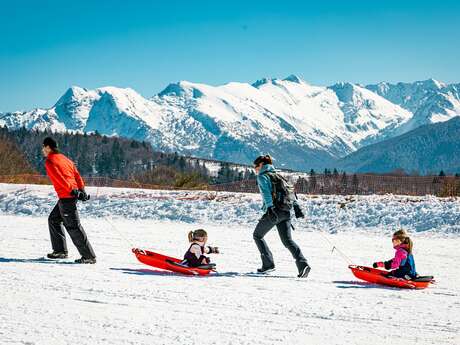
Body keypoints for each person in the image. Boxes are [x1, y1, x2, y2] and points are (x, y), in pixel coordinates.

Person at [252, 154, 310, 278]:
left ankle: (268, 265)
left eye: (255, 167)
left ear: (261, 165)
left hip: (274, 212)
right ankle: (303, 264)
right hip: (286, 211)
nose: (255, 169)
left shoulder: (263, 177)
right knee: (288, 241)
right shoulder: (279, 176)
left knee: (257, 235)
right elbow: (290, 193)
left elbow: (266, 194)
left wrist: (270, 208)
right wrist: (296, 207)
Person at [42, 137, 97, 264]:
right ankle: (60, 251)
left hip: (67, 196)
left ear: (48, 147)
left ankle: (88, 256)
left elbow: (59, 178)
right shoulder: (66, 159)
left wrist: (73, 191)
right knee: (54, 220)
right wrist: (81, 190)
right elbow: (77, 175)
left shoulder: (50, 161)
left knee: (73, 226)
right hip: (69, 195)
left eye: (44, 147)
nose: (43, 150)